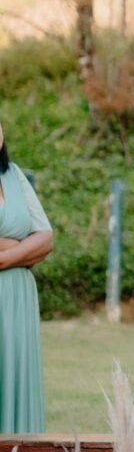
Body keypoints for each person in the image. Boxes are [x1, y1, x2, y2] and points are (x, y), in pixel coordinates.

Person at [0, 123, 54, 434]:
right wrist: (23, 249)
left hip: (19, 299)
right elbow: (34, 244)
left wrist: (6, 255)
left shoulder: (14, 175)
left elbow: (45, 237)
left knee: (17, 373)